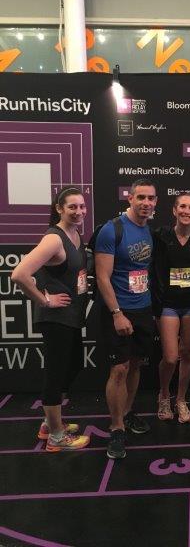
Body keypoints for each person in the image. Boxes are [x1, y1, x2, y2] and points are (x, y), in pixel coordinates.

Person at [11, 187, 90, 452]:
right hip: (56, 318)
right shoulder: (54, 239)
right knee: (56, 375)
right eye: (72, 207)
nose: (78, 211)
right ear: (59, 208)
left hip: (71, 317)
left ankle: (49, 423)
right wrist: (45, 300)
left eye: (81, 206)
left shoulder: (75, 234)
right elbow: (19, 274)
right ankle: (56, 437)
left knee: (73, 365)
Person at [95, 179, 157, 459]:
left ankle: (128, 412)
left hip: (143, 308)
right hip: (119, 311)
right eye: (140, 197)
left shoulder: (147, 230)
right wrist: (117, 314)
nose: (146, 203)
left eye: (151, 198)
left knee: (135, 365)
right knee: (118, 370)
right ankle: (117, 427)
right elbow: (102, 277)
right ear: (129, 198)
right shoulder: (112, 230)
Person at [152, 193, 190, 423]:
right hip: (168, 305)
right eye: (182, 206)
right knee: (171, 357)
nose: (186, 211)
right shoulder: (160, 235)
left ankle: (181, 399)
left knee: (187, 353)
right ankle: (164, 395)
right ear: (174, 210)